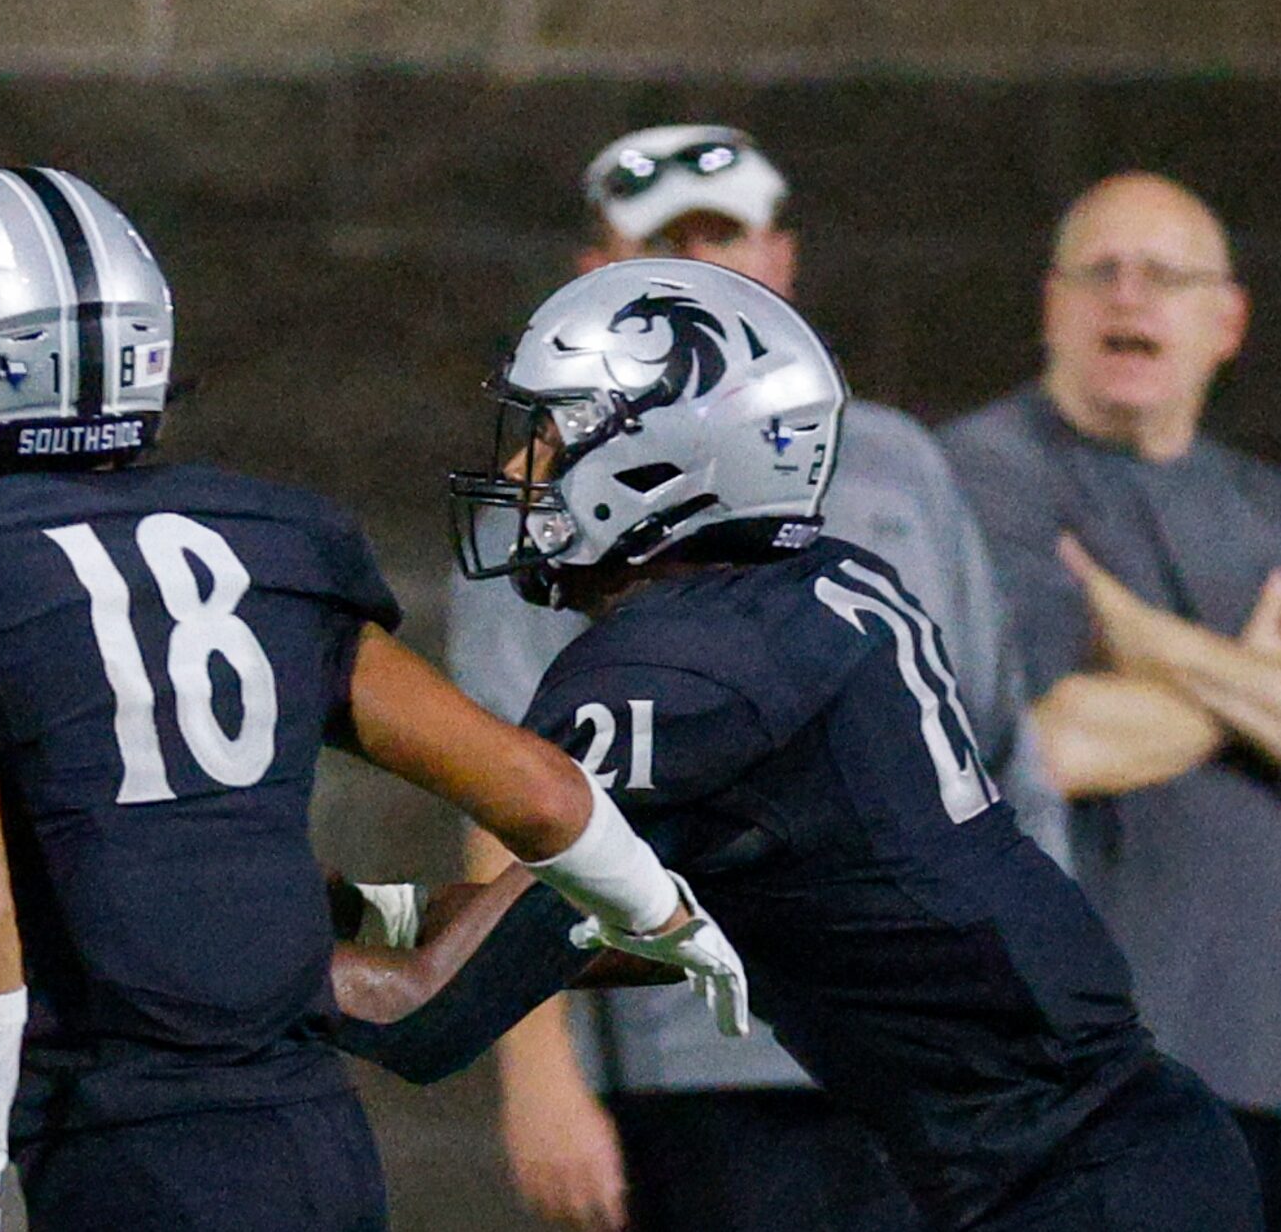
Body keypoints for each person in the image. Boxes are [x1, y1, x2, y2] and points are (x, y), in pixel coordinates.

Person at [0, 168, 749, 1232]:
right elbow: (539, 792)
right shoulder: (273, 537)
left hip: (130, 1153)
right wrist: (665, 916)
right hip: (319, 1142)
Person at [443, 255, 1260, 1232]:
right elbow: (619, 926)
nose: (522, 472)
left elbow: (459, 974)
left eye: (555, 435)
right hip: (1100, 1151)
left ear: (657, 464)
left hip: (1060, 1185)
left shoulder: (679, 669)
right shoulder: (816, 593)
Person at [446, 124, 1066, 1232]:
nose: (701, 278)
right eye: (664, 250)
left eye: (723, 239)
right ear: (596, 278)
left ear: (782, 255)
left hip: (924, 1041)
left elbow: (996, 750)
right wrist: (539, 1072)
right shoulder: (549, 486)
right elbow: (506, 785)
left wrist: (1036, 1012)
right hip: (699, 1058)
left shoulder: (900, 464)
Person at [942, 171, 1281, 1226]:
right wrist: (1255, 685)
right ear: (1052, 305)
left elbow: (1109, 706)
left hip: (1263, 1066)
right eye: (1101, 273)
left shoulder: (1263, 505)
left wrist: (1134, 634)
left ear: (1226, 320)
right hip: (1087, 1078)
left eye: (1164, 276)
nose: (1128, 298)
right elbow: (1056, 741)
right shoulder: (982, 478)